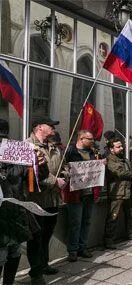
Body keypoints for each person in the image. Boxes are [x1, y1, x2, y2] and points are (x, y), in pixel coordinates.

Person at [0, 119, 48, 285]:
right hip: (6, 215)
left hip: (17, 213)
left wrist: (40, 164)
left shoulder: (17, 154)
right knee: (4, 254)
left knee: (14, 252)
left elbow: (36, 180)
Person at [26, 116, 67, 283]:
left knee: (47, 235)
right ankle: (36, 273)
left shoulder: (54, 147)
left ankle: (44, 264)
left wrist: (65, 177)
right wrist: (55, 181)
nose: (53, 128)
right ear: (39, 127)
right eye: (50, 125)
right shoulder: (27, 146)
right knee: (35, 237)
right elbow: (33, 174)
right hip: (36, 200)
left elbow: (64, 167)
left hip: (53, 199)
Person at [63, 130, 101, 262]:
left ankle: (82, 247)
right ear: (81, 139)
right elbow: (63, 170)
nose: (92, 141)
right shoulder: (70, 152)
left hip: (89, 193)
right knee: (75, 222)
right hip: (75, 194)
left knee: (86, 221)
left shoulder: (93, 153)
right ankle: (73, 250)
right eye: (90, 139)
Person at [104, 137, 132, 250]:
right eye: (118, 146)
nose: (121, 148)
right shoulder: (110, 160)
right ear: (111, 149)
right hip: (117, 192)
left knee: (131, 213)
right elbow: (120, 173)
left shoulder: (125, 159)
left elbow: (129, 172)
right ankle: (109, 240)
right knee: (113, 216)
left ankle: (131, 233)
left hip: (129, 191)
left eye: (122, 146)